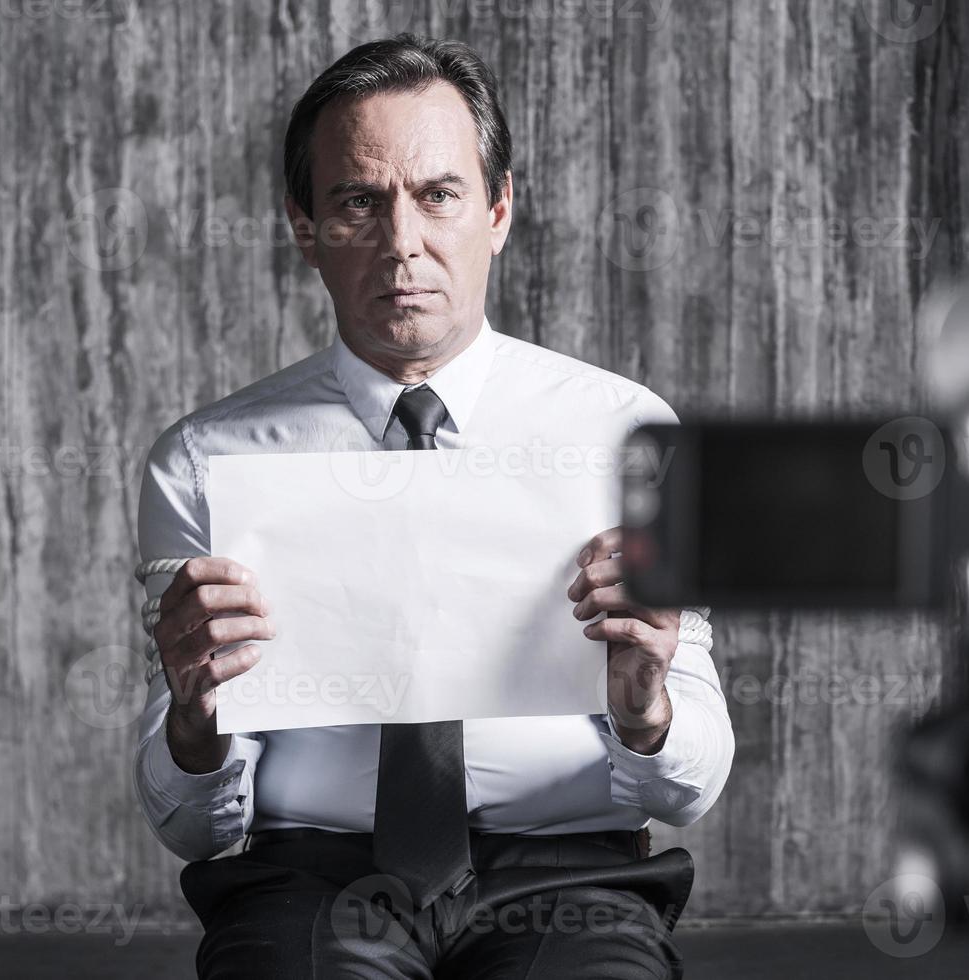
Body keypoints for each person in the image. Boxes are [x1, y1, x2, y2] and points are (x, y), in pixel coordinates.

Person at [131, 33, 733, 979]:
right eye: (357, 202)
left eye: (439, 195)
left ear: (496, 211)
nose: (401, 243)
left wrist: (649, 708)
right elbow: (187, 827)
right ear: (305, 227)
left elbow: (693, 784)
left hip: (568, 875)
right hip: (311, 875)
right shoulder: (208, 461)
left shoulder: (628, 433)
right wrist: (191, 722)